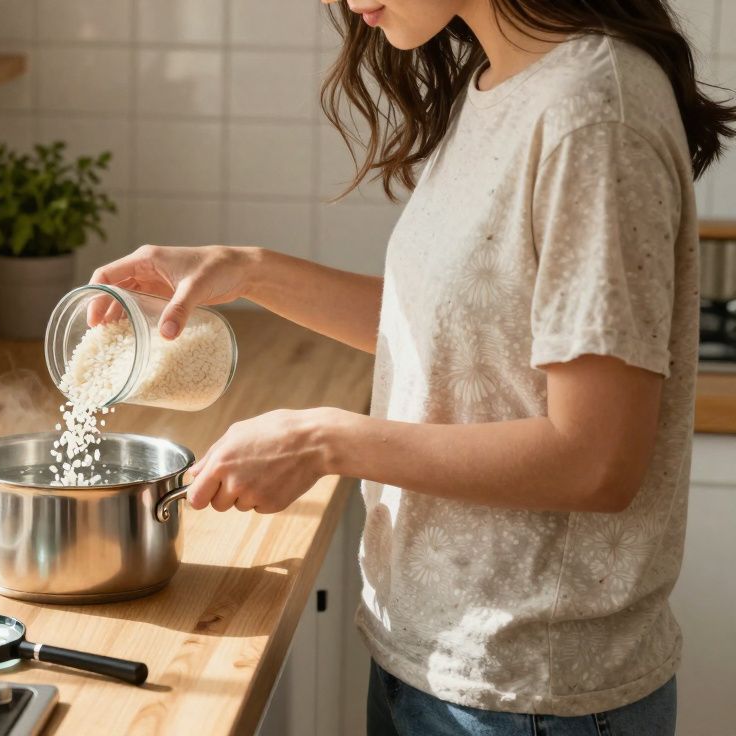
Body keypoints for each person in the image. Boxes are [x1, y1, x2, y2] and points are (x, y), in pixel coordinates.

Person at [90, 1, 735, 734]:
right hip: (431, 661)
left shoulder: (592, 113)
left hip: (531, 694)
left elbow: (596, 461)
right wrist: (248, 271)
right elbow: (463, 337)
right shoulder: (502, 80)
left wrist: (325, 440)